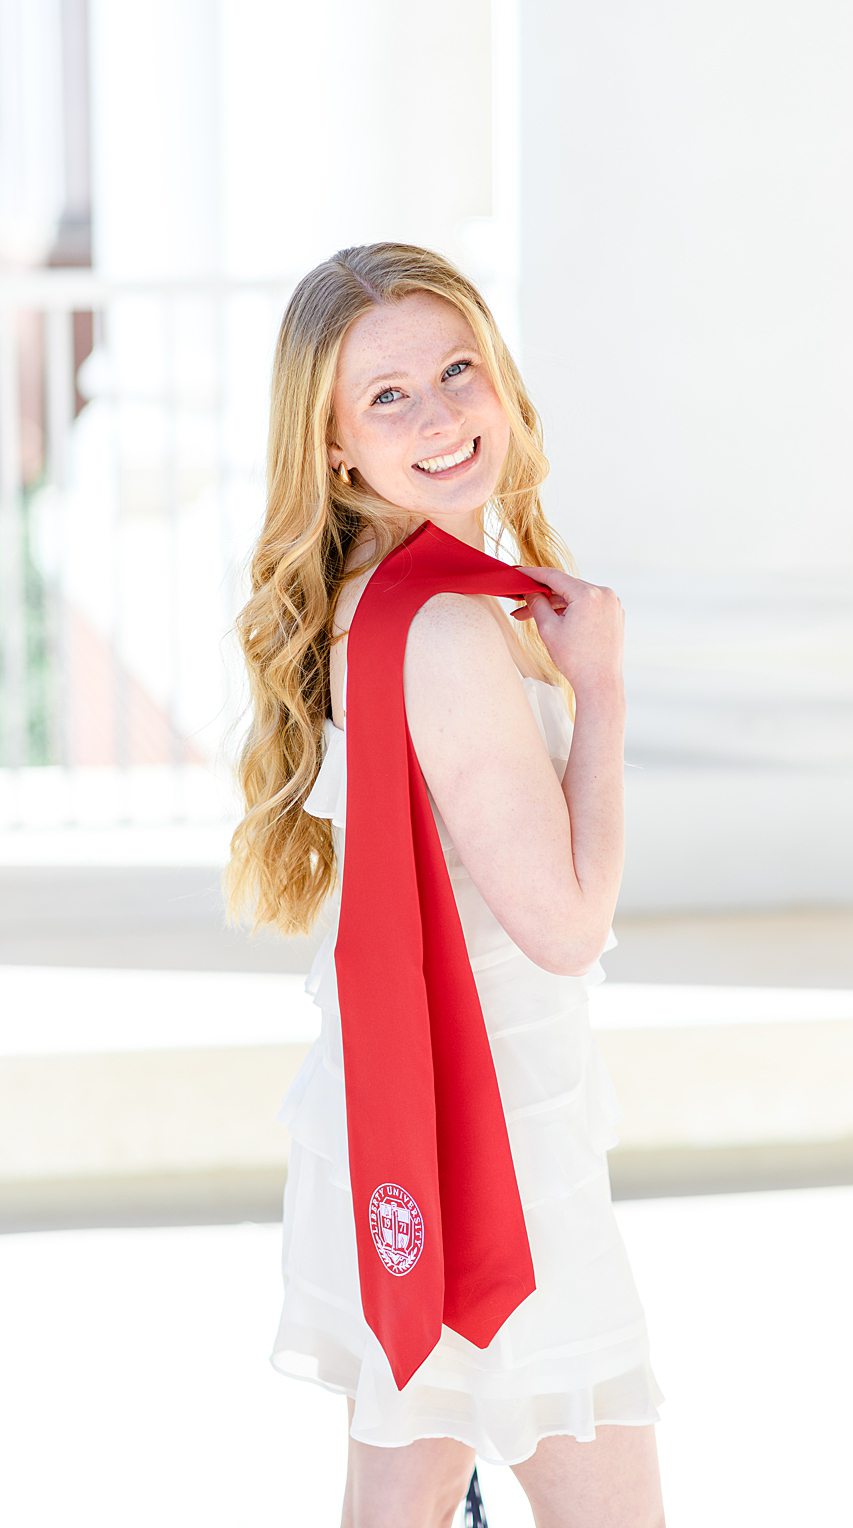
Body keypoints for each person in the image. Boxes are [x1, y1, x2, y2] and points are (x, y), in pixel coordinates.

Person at [222, 242, 666, 1524]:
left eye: (457, 369)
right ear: (336, 448)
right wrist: (606, 693)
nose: (439, 413)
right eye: (388, 397)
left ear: (504, 381)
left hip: (411, 1101)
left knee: (405, 1481)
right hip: (488, 1132)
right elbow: (569, 924)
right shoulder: (454, 631)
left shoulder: (389, 601)